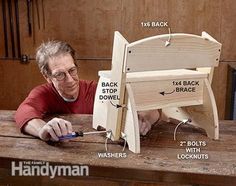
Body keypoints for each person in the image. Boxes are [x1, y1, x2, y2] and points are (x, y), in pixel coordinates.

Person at [15, 40, 160, 142]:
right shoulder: (43, 94)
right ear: (47, 76)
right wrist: (42, 129)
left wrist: (145, 119)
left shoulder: (97, 90)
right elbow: (24, 111)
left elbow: (153, 110)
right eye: (60, 74)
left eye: (72, 70)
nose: (70, 80)